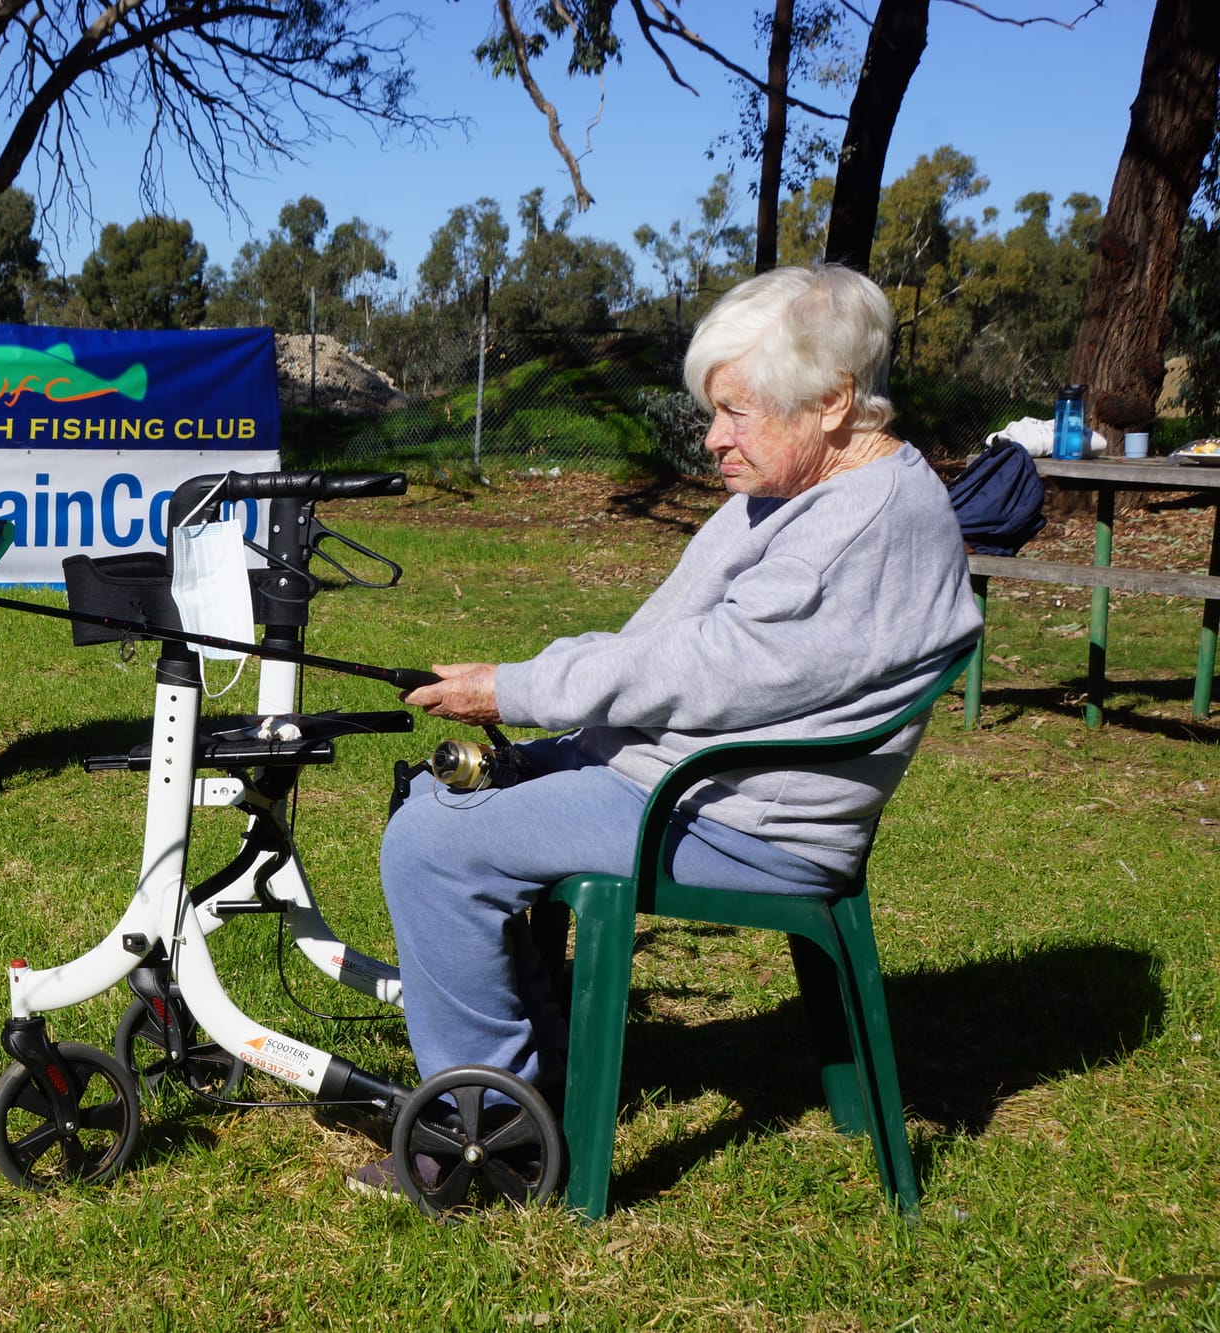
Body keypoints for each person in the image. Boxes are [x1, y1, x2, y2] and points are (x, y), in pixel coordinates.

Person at [356, 265, 983, 1198]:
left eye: (738, 410)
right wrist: (527, 702)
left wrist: (516, 689)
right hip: (696, 777)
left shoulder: (854, 527)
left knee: (434, 843)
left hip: (746, 820)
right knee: (448, 787)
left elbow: (705, 670)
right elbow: (662, 639)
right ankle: (540, 1062)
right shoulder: (790, 493)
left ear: (834, 402)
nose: (714, 436)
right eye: (711, 408)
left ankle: (487, 1134)